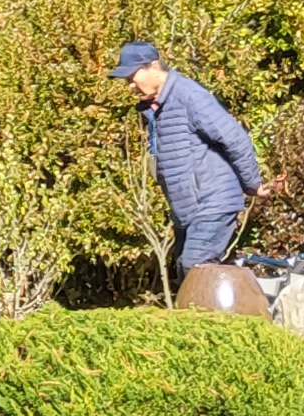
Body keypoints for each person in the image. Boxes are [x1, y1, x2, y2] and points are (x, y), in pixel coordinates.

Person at [113, 41, 263, 275]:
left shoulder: (189, 96)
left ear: (154, 67)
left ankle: (224, 309)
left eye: (132, 77)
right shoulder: (158, 107)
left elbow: (235, 138)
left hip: (212, 202)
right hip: (189, 209)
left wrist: (252, 184)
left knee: (195, 269)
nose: (130, 86)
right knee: (185, 272)